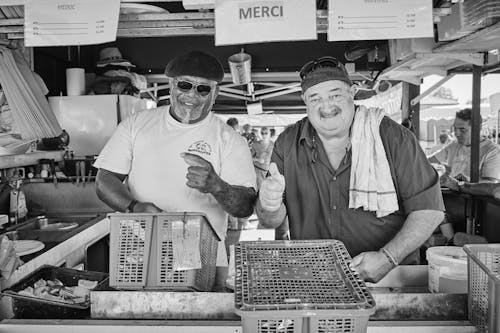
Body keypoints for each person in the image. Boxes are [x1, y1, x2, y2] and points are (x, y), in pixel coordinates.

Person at [256, 56, 444, 283]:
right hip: (313, 280)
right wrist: (269, 204)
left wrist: (387, 258)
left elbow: (429, 211)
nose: (326, 106)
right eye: (315, 98)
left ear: (352, 92)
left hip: (390, 278)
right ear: (304, 101)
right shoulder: (287, 143)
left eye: (335, 94)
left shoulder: (393, 137)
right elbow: (270, 220)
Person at [93, 50, 257, 286]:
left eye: (203, 89)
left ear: (216, 93)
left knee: (197, 317)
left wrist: (217, 186)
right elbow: (104, 178)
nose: (192, 95)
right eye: (185, 85)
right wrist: (134, 207)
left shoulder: (230, 139)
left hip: (203, 254)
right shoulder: (136, 125)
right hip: (140, 247)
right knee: (137, 316)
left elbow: (245, 207)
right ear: (171, 85)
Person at [429, 108, 500, 184]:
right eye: (455, 129)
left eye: (463, 130)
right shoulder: (454, 145)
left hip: (476, 195)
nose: (457, 134)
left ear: (477, 129)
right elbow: (428, 161)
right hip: (452, 194)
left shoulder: (492, 150)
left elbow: (491, 183)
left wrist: (465, 182)